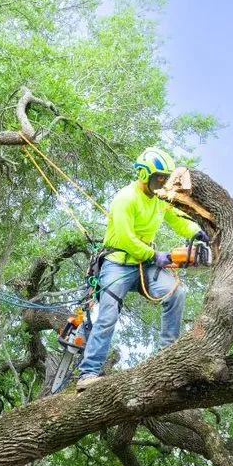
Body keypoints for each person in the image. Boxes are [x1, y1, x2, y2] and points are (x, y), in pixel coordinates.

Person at [76, 146, 208, 391]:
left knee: (176, 293)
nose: (162, 183)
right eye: (159, 178)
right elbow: (125, 239)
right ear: (144, 175)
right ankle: (88, 374)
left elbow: (177, 219)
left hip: (145, 264)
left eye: (165, 178)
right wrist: (154, 255)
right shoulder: (125, 198)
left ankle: (167, 357)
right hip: (117, 263)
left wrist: (198, 232)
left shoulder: (159, 199)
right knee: (107, 316)